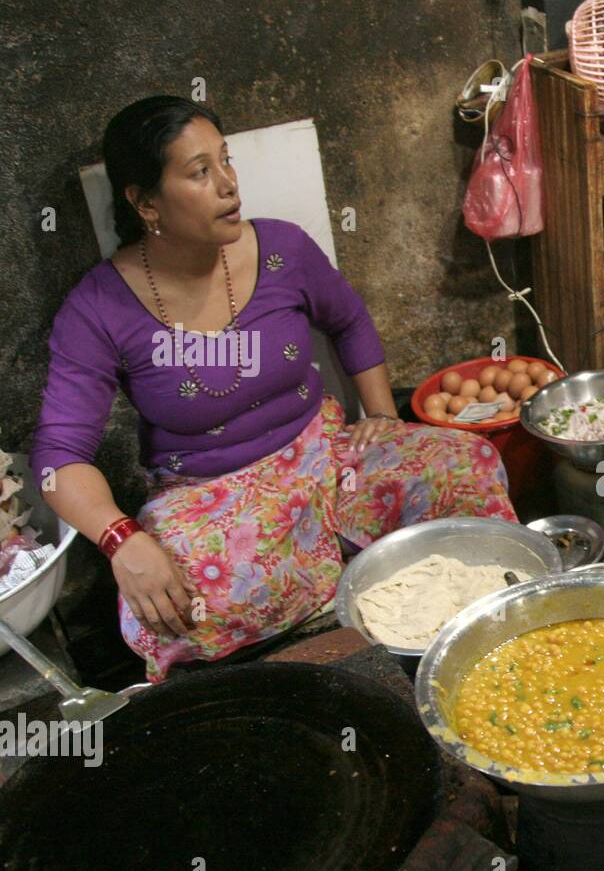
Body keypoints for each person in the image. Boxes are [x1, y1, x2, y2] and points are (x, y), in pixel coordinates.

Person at [28, 96, 517, 681]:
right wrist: (121, 540)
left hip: (329, 452)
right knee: (168, 612)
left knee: (467, 464)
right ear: (143, 201)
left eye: (226, 161)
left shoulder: (282, 249)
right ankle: (343, 603)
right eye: (200, 172)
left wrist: (382, 416)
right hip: (213, 492)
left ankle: (433, 617)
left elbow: (349, 320)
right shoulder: (98, 308)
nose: (230, 185)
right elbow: (60, 456)